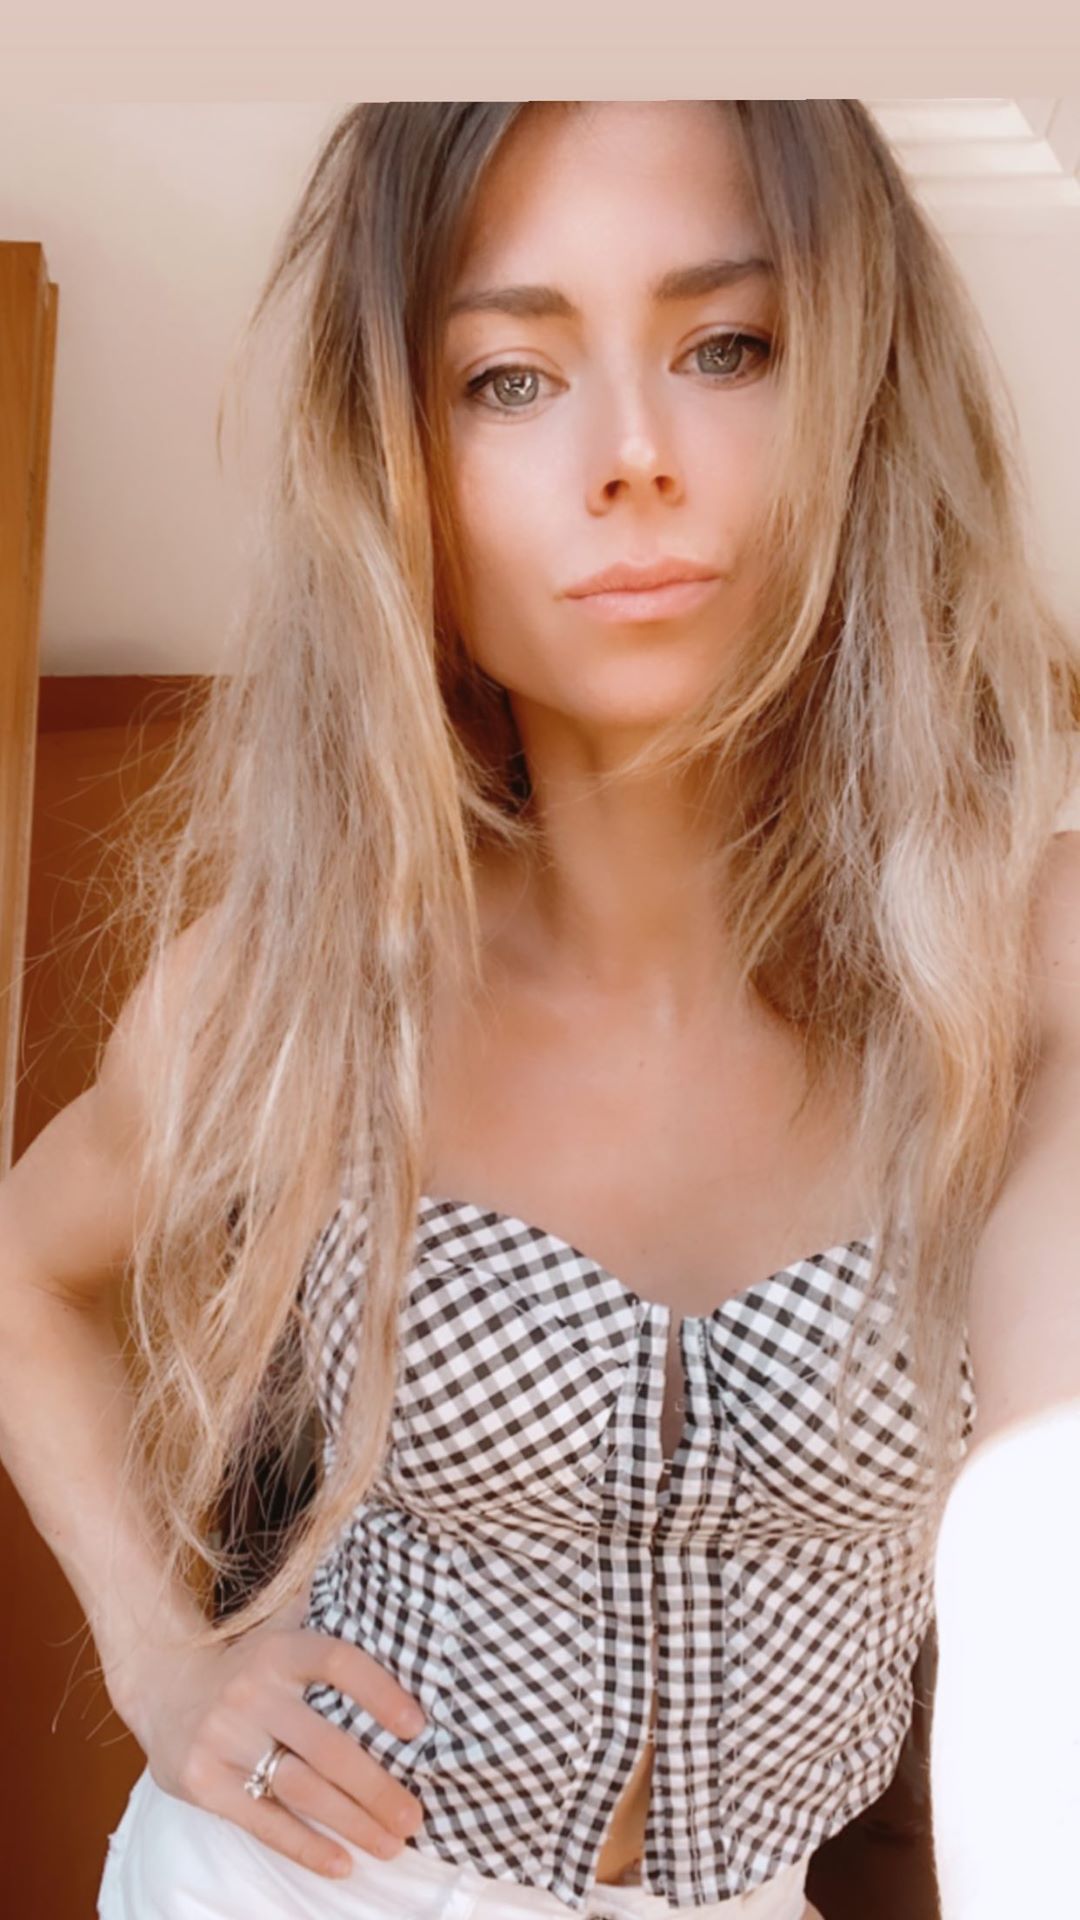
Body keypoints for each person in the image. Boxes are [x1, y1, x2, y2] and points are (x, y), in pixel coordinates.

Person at [2, 99, 1079, 1920]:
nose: (633, 456)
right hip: (297, 1887)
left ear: (861, 396)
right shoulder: (303, 987)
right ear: (401, 464)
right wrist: (162, 1663)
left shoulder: (1020, 969)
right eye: (509, 378)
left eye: (727, 347)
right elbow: (22, 1272)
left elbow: (1055, 1516)